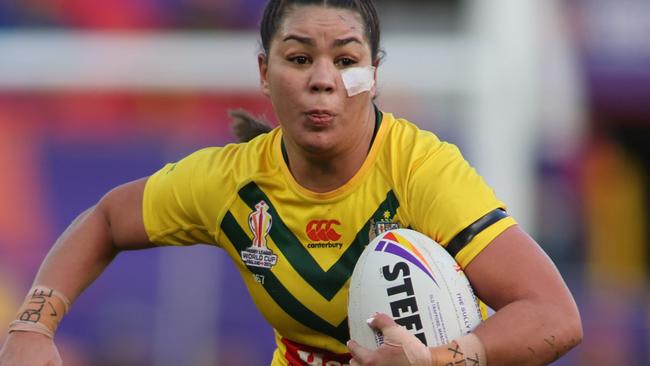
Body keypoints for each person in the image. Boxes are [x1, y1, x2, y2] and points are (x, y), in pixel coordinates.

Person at [0, 1, 582, 365]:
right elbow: (105, 220)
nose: (324, 81)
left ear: (374, 74)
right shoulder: (231, 182)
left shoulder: (422, 171)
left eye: (347, 60)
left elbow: (557, 317)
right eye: (299, 59)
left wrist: (441, 360)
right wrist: (31, 326)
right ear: (263, 72)